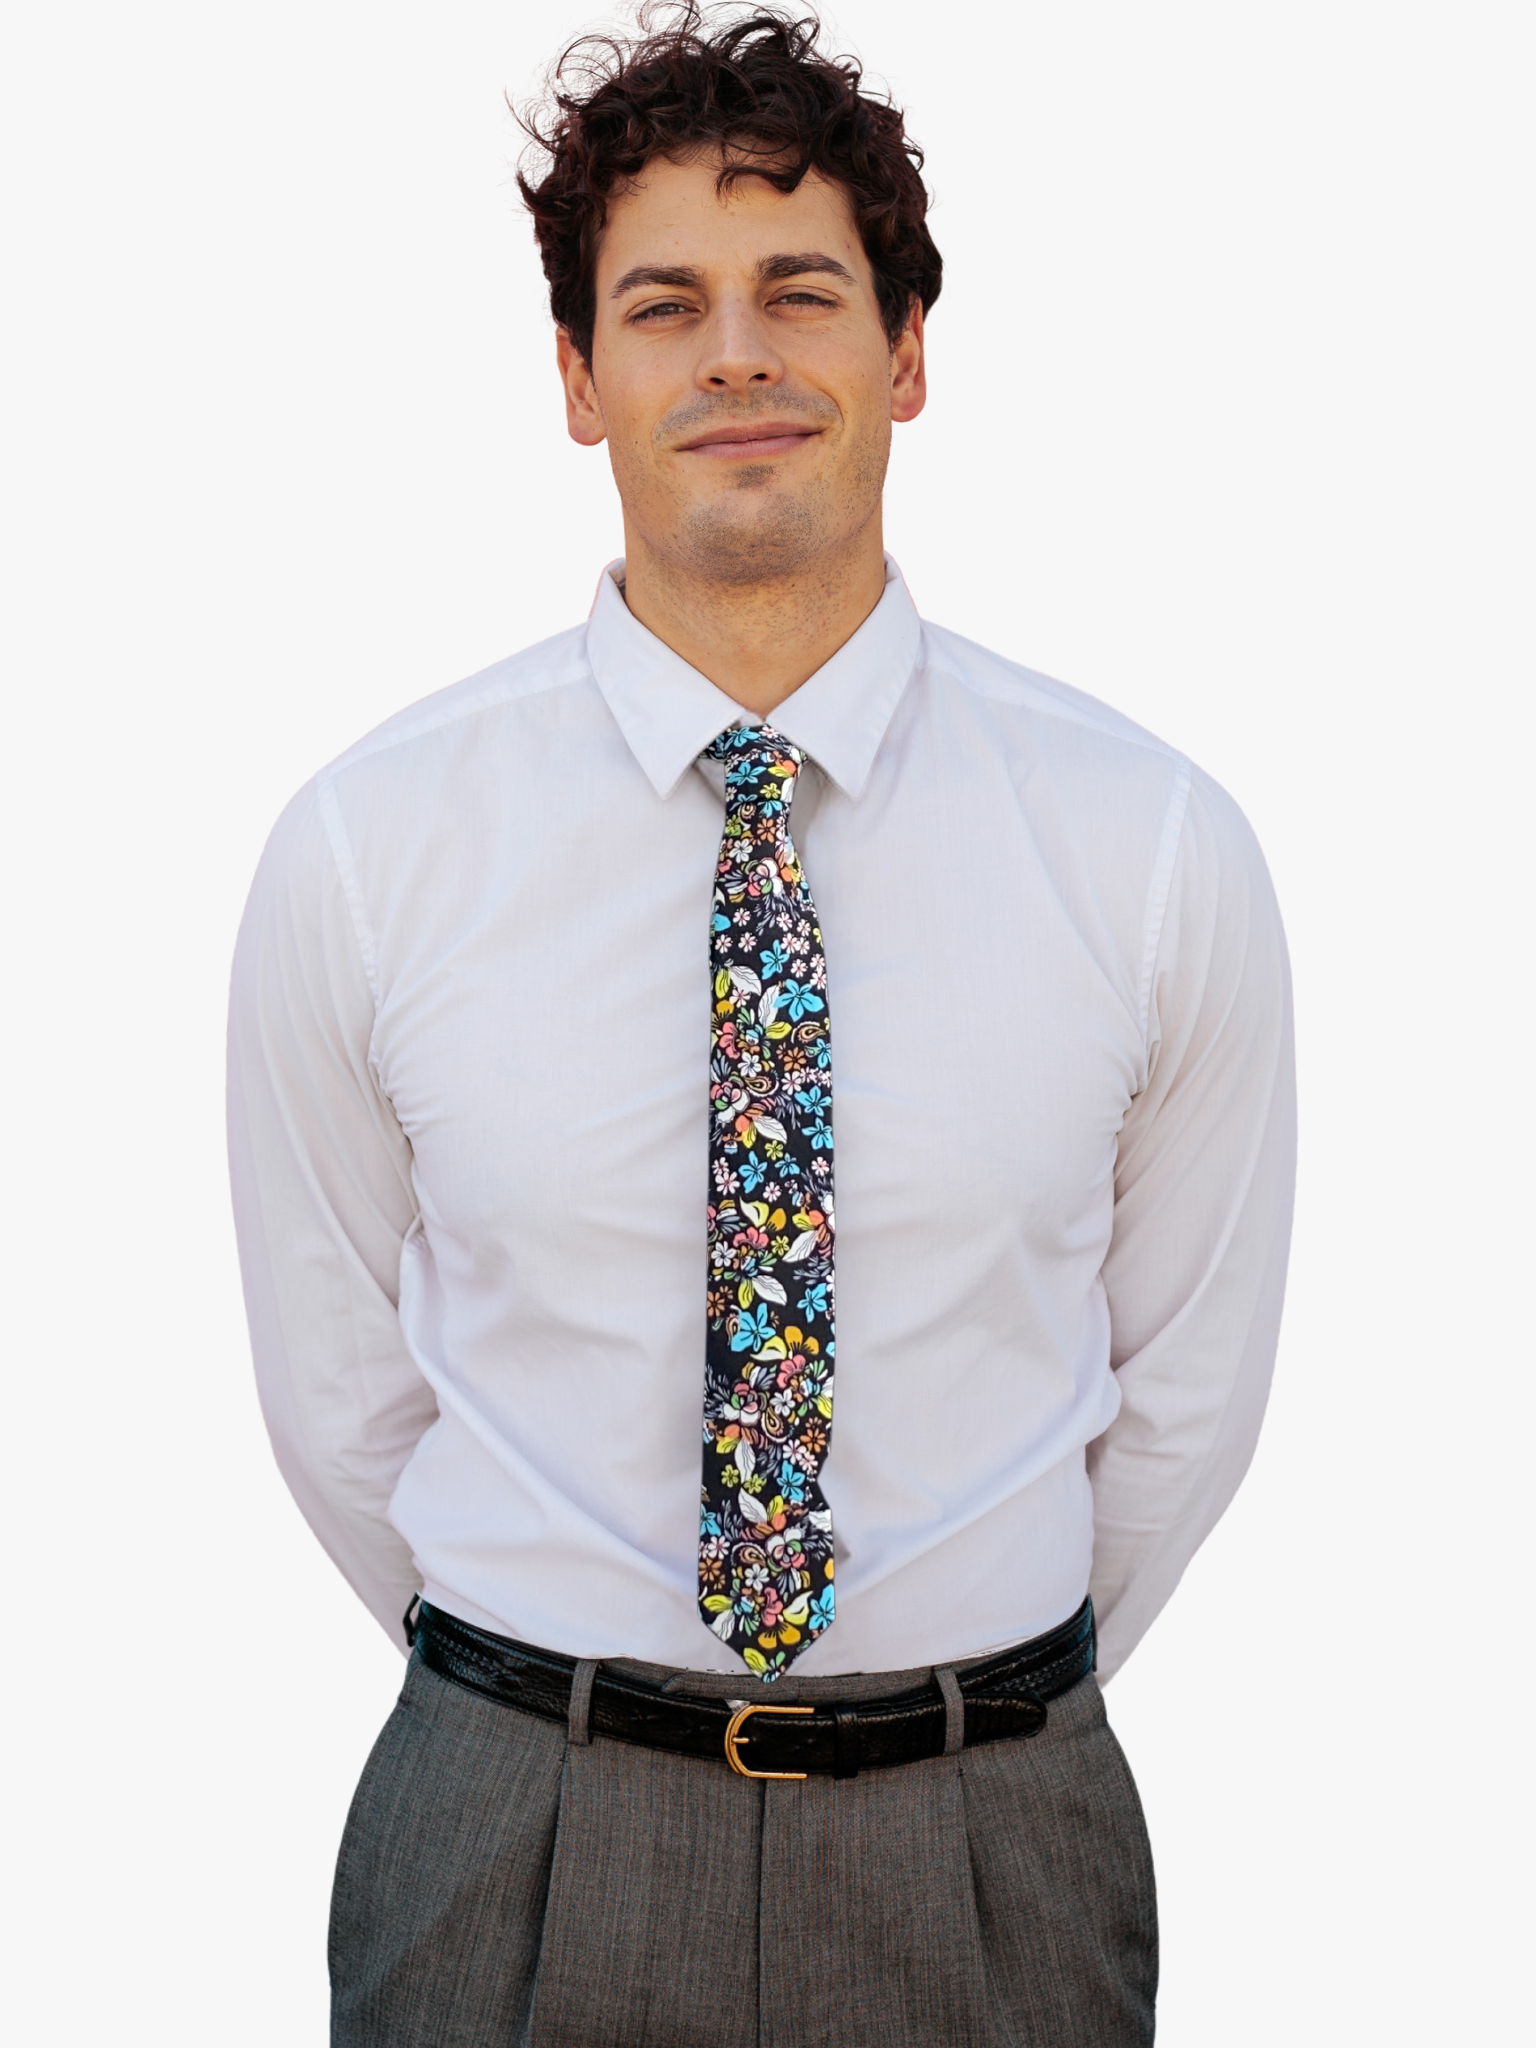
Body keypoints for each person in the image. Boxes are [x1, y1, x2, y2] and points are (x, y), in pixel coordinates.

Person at [227, 8, 1295, 2043]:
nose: (736, 353)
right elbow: (339, 1393)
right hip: (510, 1835)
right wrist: (567, 1708)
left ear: (904, 355)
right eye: (663, 304)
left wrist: (952, 1701)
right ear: (576, 377)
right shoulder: (369, 849)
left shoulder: (1151, 847)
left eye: (801, 290)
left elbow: (1181, 1403)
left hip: (994, 1838)